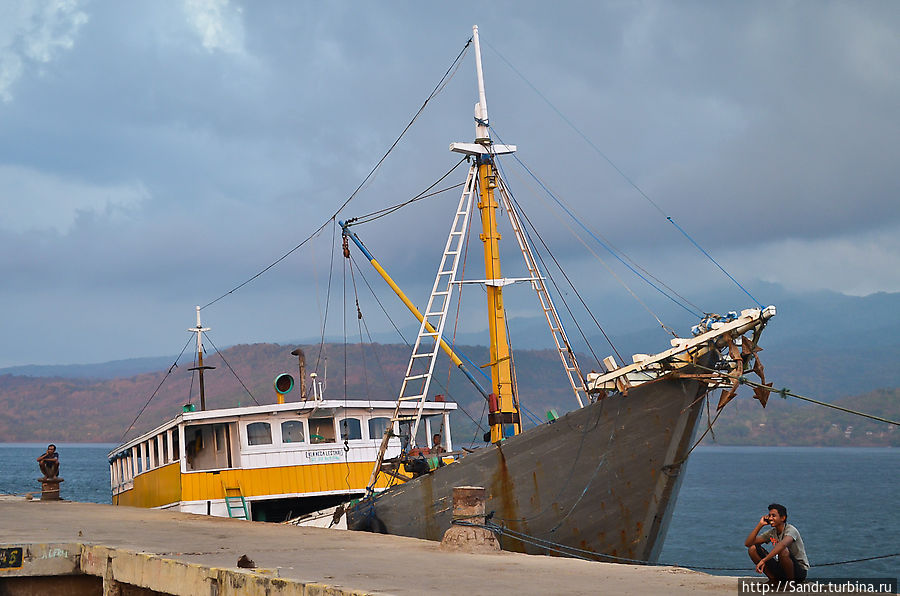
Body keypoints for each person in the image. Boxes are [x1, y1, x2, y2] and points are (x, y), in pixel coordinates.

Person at [745, 503, 810, 583]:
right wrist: (760, 525)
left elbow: (782, 544)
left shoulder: (791, 530)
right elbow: (748, 543)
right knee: (752, 549)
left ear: (782, 518)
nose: (770, 518)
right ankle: (774, 580)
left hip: (798, 572)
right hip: (782, 568)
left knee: (783, 550)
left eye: (773, 516)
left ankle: (790, 583)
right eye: (769, 515)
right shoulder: (772, 533)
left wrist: (764, 560)